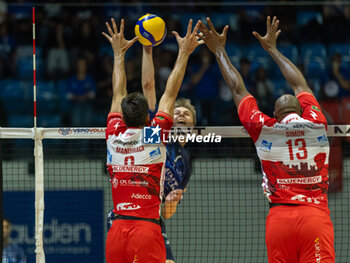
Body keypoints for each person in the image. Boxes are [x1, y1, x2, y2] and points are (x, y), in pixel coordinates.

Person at [198, 16, 335, 262]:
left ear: (274, 114)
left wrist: (219, 51)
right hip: (315, 215)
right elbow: (300, 84)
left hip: (280, 218)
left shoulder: (264, 128)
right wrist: (272, 49)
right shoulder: (317, 121)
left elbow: (238, 89)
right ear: (302, 108)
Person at [102, 18, 201, 263]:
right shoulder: (156, 134)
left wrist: (118, 55)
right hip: (146, 228)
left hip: (117, 230)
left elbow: (117, 92)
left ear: (121, 117)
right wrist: (184, 53)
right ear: (148, 116)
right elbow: (170, 92)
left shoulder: (113, 133)